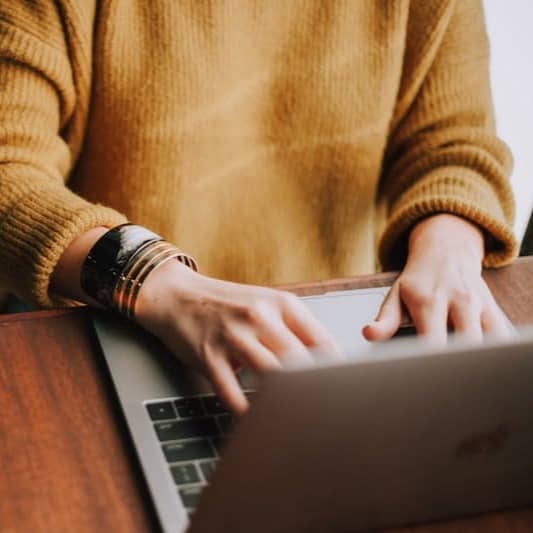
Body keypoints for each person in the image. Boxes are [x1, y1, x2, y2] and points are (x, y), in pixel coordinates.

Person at [0, 1, 517, 413]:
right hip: (126, 333)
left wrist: (449, 245)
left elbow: (454, 143)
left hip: (344, 337)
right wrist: (161, 285)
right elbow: (9, 168)